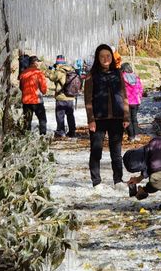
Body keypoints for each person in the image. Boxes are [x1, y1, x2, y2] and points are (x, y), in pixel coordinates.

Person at [84, 44, 130, 189]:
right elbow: (88, 99)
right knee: (96, 151)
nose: (105, 59)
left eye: (108, 56)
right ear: (98, 58)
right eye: (102, 56)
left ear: (112, 57)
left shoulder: (118, 73)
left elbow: (124, 96)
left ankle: (118, 180)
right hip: (98, 119)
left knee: (116, 153)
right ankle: (96, 181)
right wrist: (91, 119)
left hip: (117, 118)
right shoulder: (92, 75)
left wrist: (126, 116)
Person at [46, 55, 78, 138]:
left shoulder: (60, 71)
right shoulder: (71, 69)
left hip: (61, 97)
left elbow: (52, 78)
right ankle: (72, 131)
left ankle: (60, 132)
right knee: (70, 115)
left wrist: (50, 70)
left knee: (60, 115)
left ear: (57, 62)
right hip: (71, 97)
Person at [19, 56, 48, 134]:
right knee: (42, 119)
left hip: (26, 101)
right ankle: (43, 137)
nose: (39, 63)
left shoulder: (23, 73)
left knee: (27, 121)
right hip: (37, 100)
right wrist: (44, 91)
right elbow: (44, 89)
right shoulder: (38, 73)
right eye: (38, 62)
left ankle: (26, 138)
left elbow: (21, 87)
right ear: (35, 62)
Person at [120, 62, 144, 142]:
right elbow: (140, 88)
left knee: (128, 119)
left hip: (126, 101)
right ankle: (137, 135)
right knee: (134, 119)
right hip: (136, 101)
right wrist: (139, 97)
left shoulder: (122, 77)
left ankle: (131, 136)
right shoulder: (136, 77)